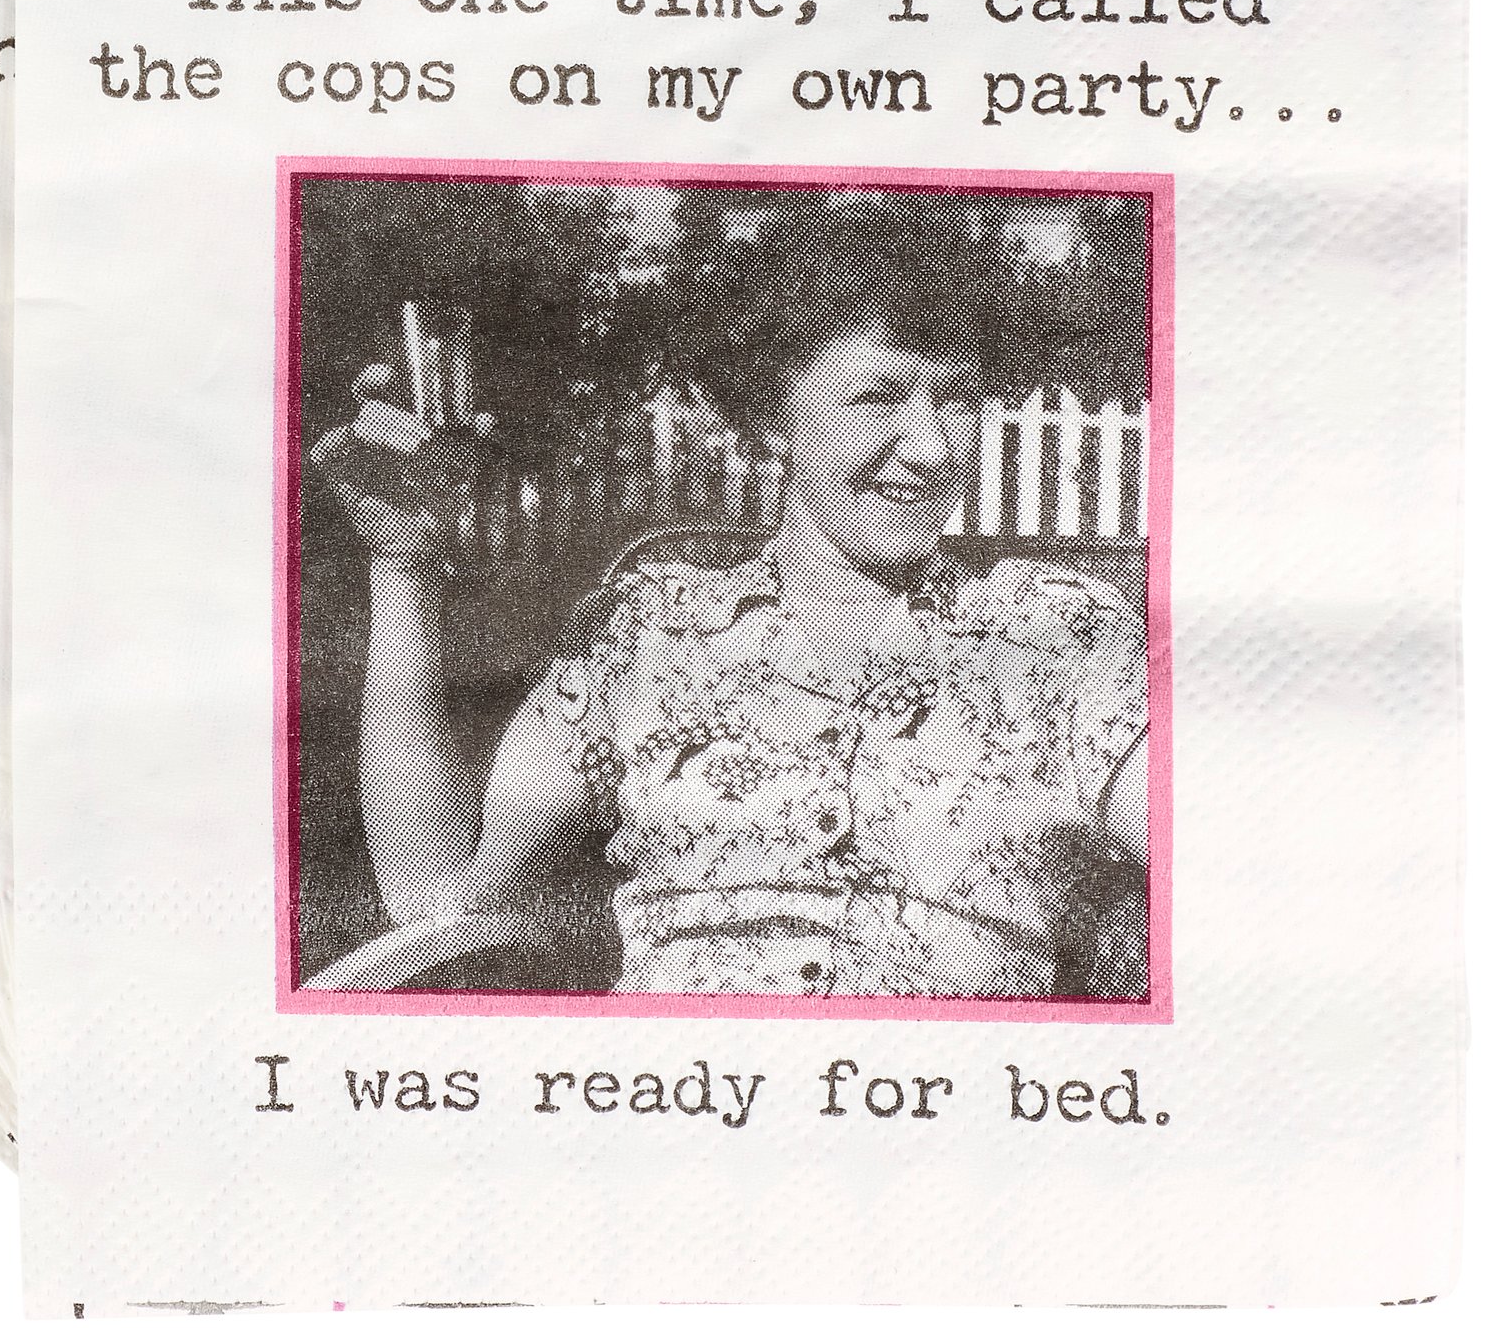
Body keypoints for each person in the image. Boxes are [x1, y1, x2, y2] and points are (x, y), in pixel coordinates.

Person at [310, 196, 1149, 998]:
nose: (932, 447)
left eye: (957, 398)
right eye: (878, 398)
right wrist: (401, 565)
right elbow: (435, 897)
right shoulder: (651, 636)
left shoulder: (1057, 636)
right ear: (772, 421)